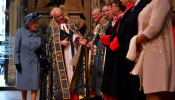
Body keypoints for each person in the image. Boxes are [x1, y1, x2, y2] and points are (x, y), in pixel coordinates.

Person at [40, 7, 86, 100]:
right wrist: (60, 43)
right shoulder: (51, 26)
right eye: (58, 16)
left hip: (71, 53)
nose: (61, 17)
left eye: (62, 14)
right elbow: (48, 44)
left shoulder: (70, 22)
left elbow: (75, 34)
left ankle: (73, 97)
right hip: (59, 58)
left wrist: (78, 39)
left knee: (71, 76)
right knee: (63, 78)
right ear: (54, 18)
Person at [136, 0, 175, 100]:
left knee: (154, 91)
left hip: (158, 51)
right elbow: (143, 25)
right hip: (148, 50)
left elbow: (154, 27)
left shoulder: (161, 1)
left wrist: (137, 41)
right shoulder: (151, 3)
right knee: (149, 92)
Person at [14, 12, 42, 100]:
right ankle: (24, 99)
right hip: (23, 63)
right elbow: (16, 49)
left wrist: (41, 49)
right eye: (34, 23)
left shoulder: (40, 32)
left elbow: (43, 45)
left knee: (35, 86)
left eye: (37, 23)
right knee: (24, 84)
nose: (36, 25)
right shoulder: (20, 32)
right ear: (28, 23)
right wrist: (17, 63)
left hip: (35, 63)